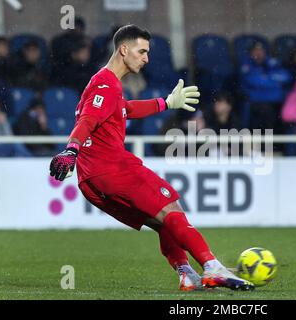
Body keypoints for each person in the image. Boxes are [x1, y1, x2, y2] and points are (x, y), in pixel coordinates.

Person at [48, 25, 254, 292]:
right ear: (124, 49)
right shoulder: (106, 83)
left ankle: (186, 274)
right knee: (172, 208)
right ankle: (213, 267)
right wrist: (71, 148)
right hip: (112, 168)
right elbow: (88, 120)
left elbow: (125, 109)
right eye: (142, 51)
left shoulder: (103, 84)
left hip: (91, 182)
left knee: (161, 221)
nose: (146, 58)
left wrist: (166, 103)